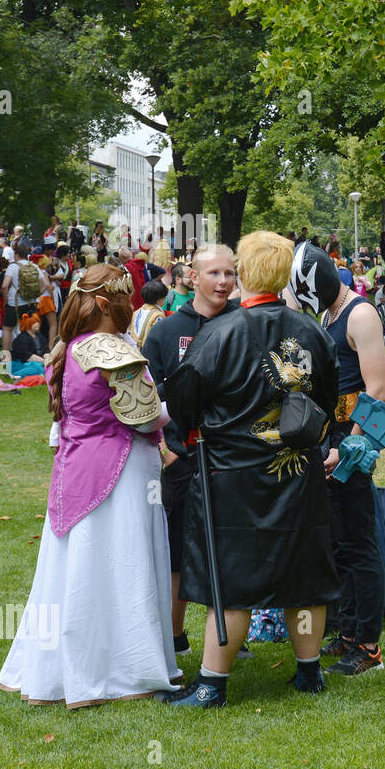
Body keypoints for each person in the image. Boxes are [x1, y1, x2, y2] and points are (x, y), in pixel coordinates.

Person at [162, 231, 341, 706]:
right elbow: (328, 400)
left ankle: (212, 685)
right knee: (302, 573)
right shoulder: (311, 331)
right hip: (296, 471)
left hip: (232, 476)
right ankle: (309, 673)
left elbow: (183, 397)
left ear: (244, 272)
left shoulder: (219, 332)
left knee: (234, 578)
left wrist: (190, 432)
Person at [0, 264, 182, 707]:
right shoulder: (109, 349)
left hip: (74, 469)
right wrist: (190, 399)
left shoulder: (69, 347)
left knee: (77, 567)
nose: (131, 305)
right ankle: (123, 668)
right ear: (105, 302)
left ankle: (71, 668)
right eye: (124, 298)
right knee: (120, 563)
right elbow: (145, 417)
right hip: (119, 470)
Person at [291, 243, 385, 676]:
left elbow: (377, 389)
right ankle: (348, 633)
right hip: (331, 438)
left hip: (351, 441)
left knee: (360, 545)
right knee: (340, 544)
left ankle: (368, 646)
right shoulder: (330, 315)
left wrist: (348, 445)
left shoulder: (361, 314)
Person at [143, 243, 240, 658]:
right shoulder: (166, 330)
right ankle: (176, 639)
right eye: (214, 273)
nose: (222, 281)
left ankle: (235, 634)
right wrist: (167, 450)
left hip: (235, 459)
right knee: (179, 553)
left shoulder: (245, 324)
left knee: (235, 548)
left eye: (229, 273)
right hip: (184, 460)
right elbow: (145, 397)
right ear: (192, 278)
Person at [130, 279, 168, 348]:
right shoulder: (158, 315)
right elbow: (159, 337)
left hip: (135, 350)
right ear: (159, 299)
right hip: (147, 351)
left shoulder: (136, 312)